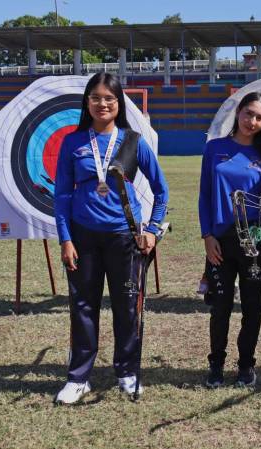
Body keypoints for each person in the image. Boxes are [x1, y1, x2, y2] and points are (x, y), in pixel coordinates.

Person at [54, 72, 169, 404]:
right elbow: (62, 195)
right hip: (83, 237)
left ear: (118, 104)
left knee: (126, 308)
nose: (102, 104)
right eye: (95, 97)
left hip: (125, 238)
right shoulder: (72, 142)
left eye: (109, 98)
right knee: (83, 306)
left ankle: (127, 371)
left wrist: (151, 229)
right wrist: (66, 239)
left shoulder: (133, 141)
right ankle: (79, 378)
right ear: (86, 102)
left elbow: (161, 191)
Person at [199, 91, 261, 389]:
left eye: (259, 117)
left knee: (252, 307)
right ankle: (216, 365)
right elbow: (204, 195)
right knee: (221, 306)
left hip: (253, 242)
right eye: (248, 113)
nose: (251, 121)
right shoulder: (215, 148)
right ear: (238, 112)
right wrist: (207, 236)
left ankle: (245, 366)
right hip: (219, 241)